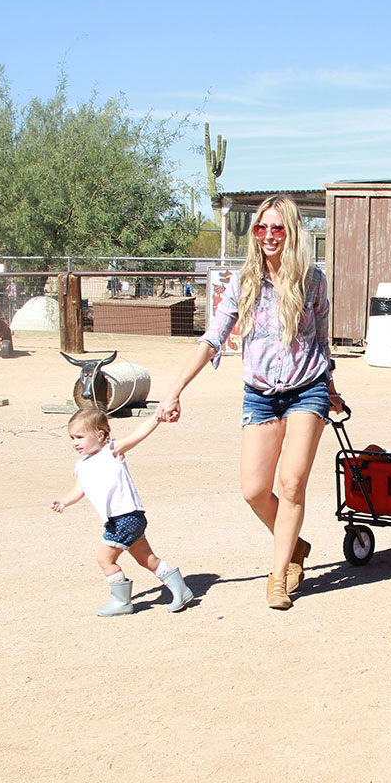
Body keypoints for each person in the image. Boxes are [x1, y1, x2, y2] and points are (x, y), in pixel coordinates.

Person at [150, 194, 344, 610]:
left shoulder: (313, 281)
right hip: (259, 394)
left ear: (291, 232)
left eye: (277, 228)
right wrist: (175, 389)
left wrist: (329, 387)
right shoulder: (242, 282)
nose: (269, 236)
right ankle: (294, 546)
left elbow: (323, 341)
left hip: (306, 388)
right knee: (255, 490)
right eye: (261, 228)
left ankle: (278, 579)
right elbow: (211, 339)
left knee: (291, 483)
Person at [51, 408, 194, 615]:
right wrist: (64, 501)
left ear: (100, 434)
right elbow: (78, 489)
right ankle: (181, 590)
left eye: (80, 437)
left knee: (105, 559)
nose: (75, 442)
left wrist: (157, 417)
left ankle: (121, 602)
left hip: (124, 517)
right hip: (121, 519)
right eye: (72, 438)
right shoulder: (81, 465)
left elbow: (139, 434)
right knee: (146, 559)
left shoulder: (112, 450)